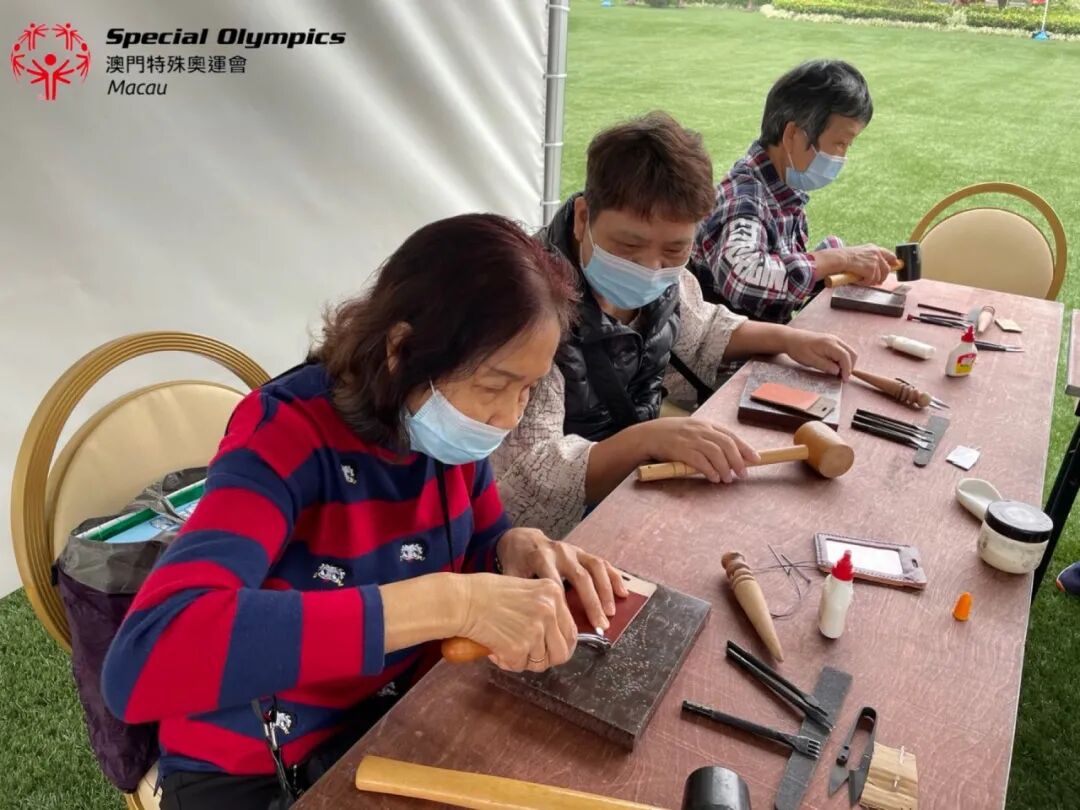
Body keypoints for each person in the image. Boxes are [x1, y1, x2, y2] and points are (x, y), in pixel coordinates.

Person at [102, 214, 628, 810]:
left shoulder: (444, 434)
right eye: (494, 386)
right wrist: (451, 602)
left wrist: (515, 549)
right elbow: (144, 659)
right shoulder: (283, 437)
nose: (509, 417)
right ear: (402, 350)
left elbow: (478, 544)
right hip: (260, 767)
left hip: (390, 718)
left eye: (528, 389)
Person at [491, 111, 858, 540]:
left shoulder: (666, 277)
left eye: (675, 249)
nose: (651, 267)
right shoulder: (527, 310)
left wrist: (790, 339)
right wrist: (647, 440)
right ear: (583, 217)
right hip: (549, 535)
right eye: (629, 245)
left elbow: (701, 332)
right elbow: (529, 477)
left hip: (630, 484)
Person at [691, 59, 895, 324]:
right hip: (739, 350)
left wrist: (841, 264)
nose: (843, 156)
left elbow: (780, 286)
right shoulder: (743, 198)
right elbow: (745, 277)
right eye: (840, 143)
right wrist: (838, 258)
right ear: (793, 135)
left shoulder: (782, 193)